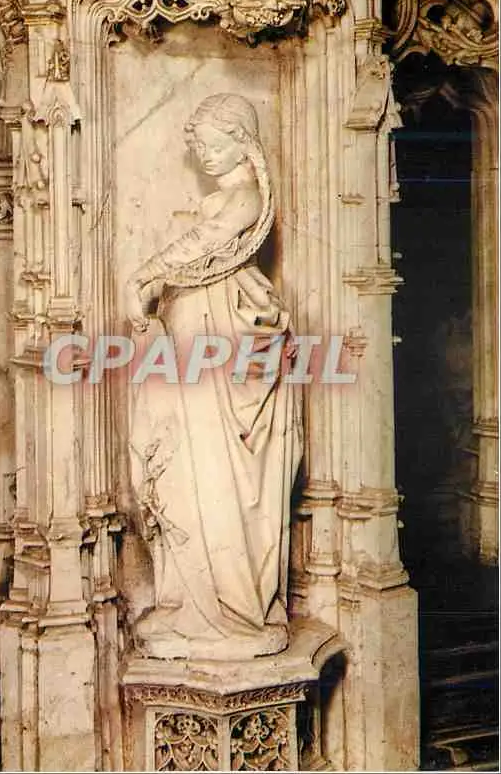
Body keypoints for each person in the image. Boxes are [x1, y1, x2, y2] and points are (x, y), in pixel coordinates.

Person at [127, 93, 302, 660]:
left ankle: (229, 605)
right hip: (196, 322)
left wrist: (145, 273)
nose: (202, 153)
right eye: (197, 144)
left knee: (213, 465)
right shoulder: (227, 197)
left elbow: (203, 242)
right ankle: (189, 599)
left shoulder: (244, 196)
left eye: (211, 142)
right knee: (185, 464)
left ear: (242, 142)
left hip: (219, 328)